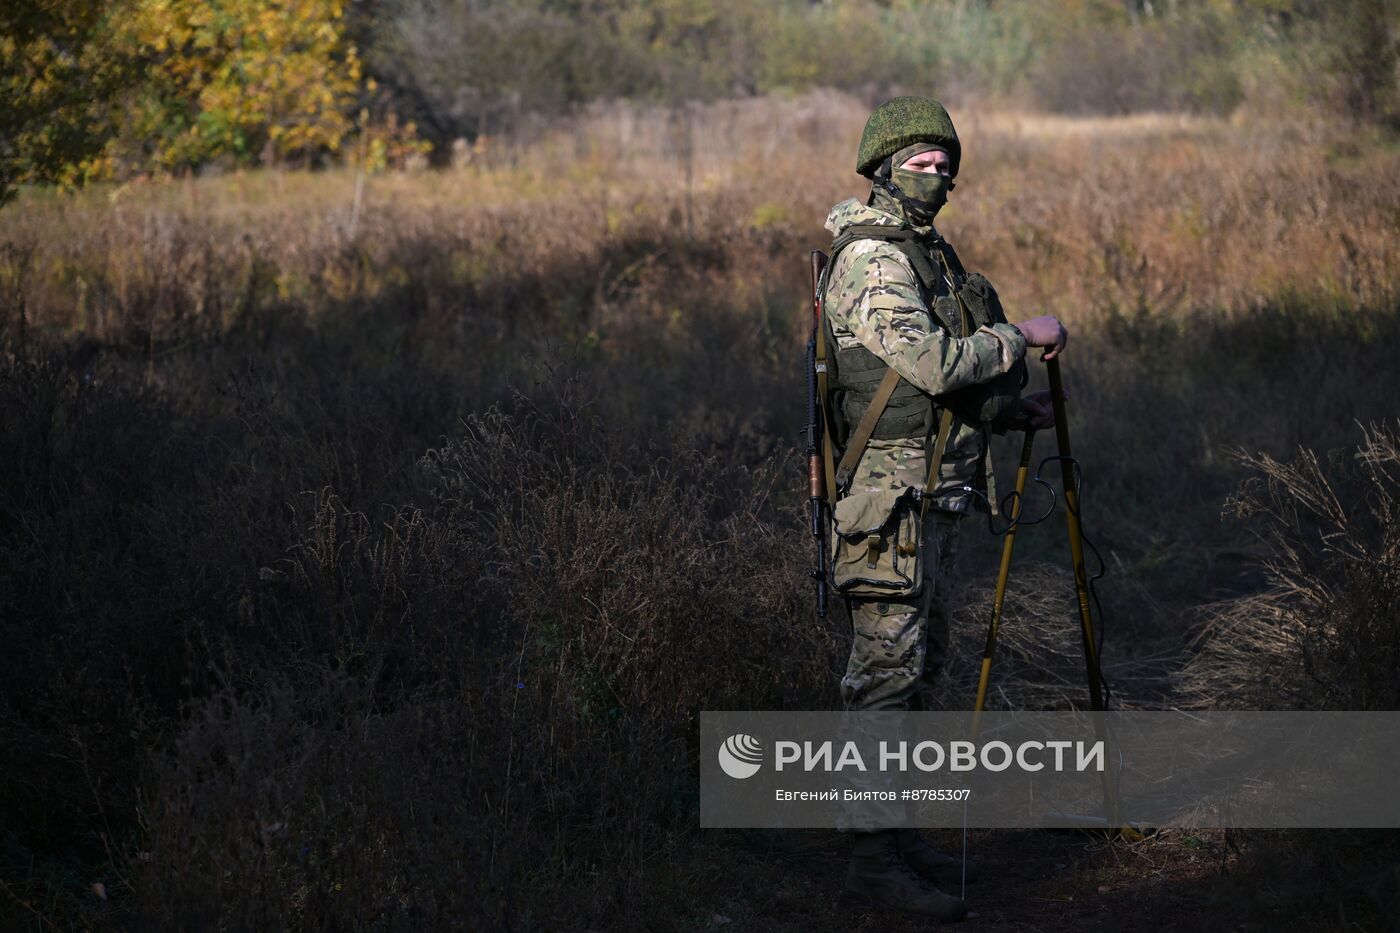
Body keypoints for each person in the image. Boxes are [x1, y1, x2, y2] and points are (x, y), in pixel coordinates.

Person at [820, 96, 1069, 920]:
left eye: (943, 163)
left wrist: (1007, 412)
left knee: (918, 672)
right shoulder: (871, 260)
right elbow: (926, 361)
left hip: (934, 493)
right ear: (882, 168)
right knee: (884, 682)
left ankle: (896, 837)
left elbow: (939, 391)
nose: (936, 176)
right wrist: (1022, 337)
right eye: (919, 163)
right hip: (888, 502)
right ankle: (867, 862)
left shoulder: (931, 256)